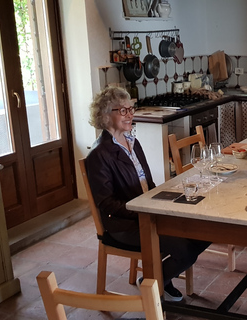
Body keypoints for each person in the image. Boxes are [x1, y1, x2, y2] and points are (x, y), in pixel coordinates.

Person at [85, 86, 210, 302]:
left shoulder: (132, 141)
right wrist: (144, 211)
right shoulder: (99, 154)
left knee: (204, 231)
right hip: (125, 224)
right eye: (122, 111)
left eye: (131, 109)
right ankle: (154, 281)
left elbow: (147, 184)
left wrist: (164, 201)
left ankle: (158, 279)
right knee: (185, 248)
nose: (130, 115)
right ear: (105, 115)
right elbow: (106, 203)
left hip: (147, 212)